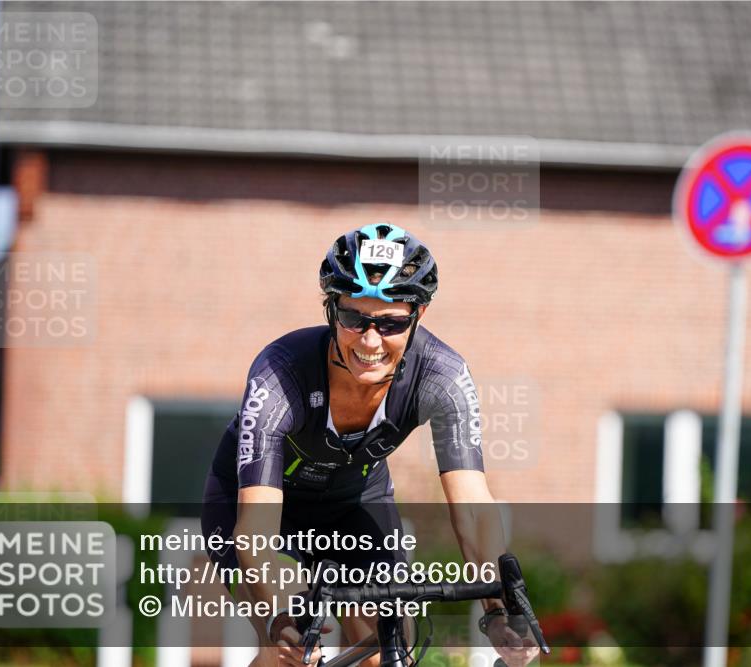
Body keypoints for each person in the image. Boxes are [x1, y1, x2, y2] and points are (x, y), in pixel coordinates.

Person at [202, 223, 539, 667]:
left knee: (393, 637)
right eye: (353, 318)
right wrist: (278, 617)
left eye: (392, 323)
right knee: (291, 646)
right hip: (258, 507)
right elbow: (257, 532)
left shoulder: (442, 377)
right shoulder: (280, 374)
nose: (370, 341)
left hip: (353, 502)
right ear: (331, 311)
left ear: (418, 316)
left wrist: (500, 609)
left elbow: (473, 507)